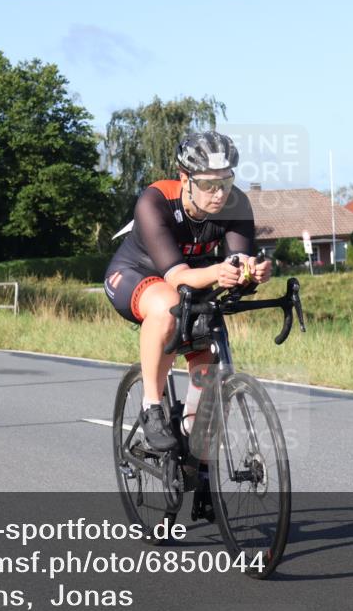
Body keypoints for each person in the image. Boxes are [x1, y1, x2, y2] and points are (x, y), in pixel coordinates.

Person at [104, 131, 271, 452]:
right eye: (209, 184)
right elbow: (176, 276)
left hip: (194, 280)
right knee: (168, 304)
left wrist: (253, 271)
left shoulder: (236, 204)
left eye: (226, 182)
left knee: (208, 361)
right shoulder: (154, 201)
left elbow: (237, 260)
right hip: (137, 274)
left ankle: (199, 464)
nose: (219, 193)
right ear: (185, 178)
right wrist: (217, 272)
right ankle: (151, 406)